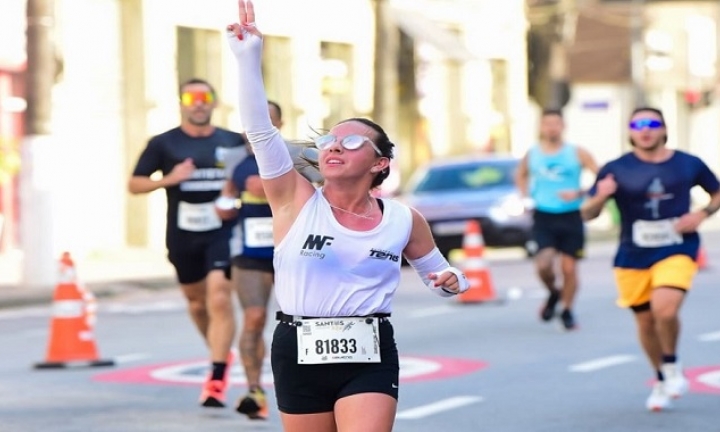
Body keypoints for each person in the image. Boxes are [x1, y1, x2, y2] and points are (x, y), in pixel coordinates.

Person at [225, 3, 469, 431]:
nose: (334, 146)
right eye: (329, 140)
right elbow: (261, 132)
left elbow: (444, 278)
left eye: (351, 140)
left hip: (369, 351)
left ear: (379, 163)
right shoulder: (294, 200)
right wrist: (248, 58)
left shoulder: (403, 219)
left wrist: (453, 282)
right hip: (298, 346)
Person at [581, 107, 720, 411]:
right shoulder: (615, 168)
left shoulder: (688, 163)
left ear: (664, 128)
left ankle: (671, 364)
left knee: (665, 310)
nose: (645, 130)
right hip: (632, 254)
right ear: (630, 132)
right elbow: (588, 213)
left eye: (652, 124)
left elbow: (717, 192)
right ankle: (660, 378)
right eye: (637, 125)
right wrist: (601, 195)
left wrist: (701, 213)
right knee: (645, 321)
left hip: (677, 248)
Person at [128, 78, 240, 408]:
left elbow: (253, 175)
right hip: (183, 234)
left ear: (215, 103)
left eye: (205, 97)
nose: (198, 103)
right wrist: (170, 179)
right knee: (196, 302)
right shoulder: (164, 144)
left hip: (223, 231)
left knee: (219, 296)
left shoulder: (232, 141)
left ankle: (216, 377)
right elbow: (134, 184)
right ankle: (219, 353)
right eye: (191, 97)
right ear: (181, 104)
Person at [215, 100, 285, 420]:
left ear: (279, 125)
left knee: (298, 323)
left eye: (265, 120)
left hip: (293, 254)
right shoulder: (235, 162)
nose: (256, 127)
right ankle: (254, 390)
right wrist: (227, 204)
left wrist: (276, 191)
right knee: (254, 319)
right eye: (251, 120)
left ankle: (301, 388)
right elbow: (226, 200)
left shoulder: (298, 158)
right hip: (250, 254)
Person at [515, 108, 599, 330]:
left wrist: (580, 193)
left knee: (569, 269)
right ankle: (554, 293)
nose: (552, 128)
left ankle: (567, 310)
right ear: (541, 127)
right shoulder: (532, 154)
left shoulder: (577, 152)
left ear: (563, 126)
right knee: (543, 265)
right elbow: (520, 175)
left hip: (571, 215)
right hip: (543, 215)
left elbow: (602, 177)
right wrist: (524, 197)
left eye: (556, 123)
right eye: (547, 124)